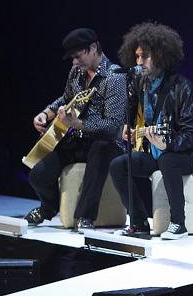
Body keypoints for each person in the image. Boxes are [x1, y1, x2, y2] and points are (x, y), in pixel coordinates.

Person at [109, 22, 193, 239]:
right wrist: (126, 127)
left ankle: (178, 223)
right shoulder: (139, 82)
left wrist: (167, 144)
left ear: (160, 55)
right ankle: (139, 223)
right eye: (137, 56)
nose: (139, 62)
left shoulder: (181, 86)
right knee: (118, 165)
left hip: (188, 153)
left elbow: (191, 134)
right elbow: (129, 111)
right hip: (154, 152)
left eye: (145, 56)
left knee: (167, 159)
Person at [24, 28, 125, 232]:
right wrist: (47, 113)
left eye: (78, 56)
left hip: (105, 143)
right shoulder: (77, 72)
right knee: (38, 174)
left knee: (100, 149)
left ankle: (85, 216)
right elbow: (66, 98)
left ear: (93, 48)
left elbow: (113, 126)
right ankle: (48, 207)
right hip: (77, 139)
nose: (74, 62)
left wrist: (79, 124)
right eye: (72, 58)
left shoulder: (114, 77)